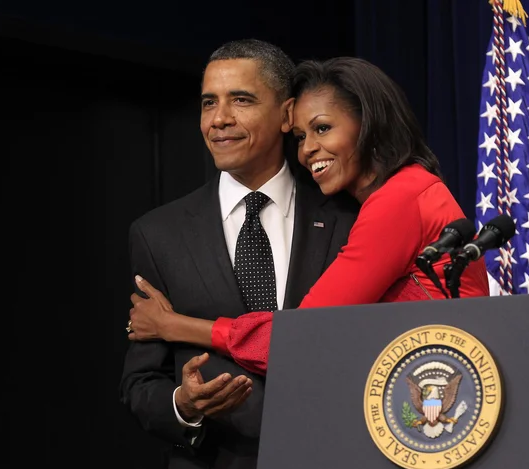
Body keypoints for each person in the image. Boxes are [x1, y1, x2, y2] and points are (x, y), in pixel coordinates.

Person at [126, 57, 490, 376]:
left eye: (322, 128)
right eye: (300, 136)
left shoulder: (400, 199)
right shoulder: (405, 191)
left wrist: (173, 325)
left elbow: (302, 338)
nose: (308, 150)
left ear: (369, 123)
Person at [120, 40, 359, 469]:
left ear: (287, 115)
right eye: (209, 102)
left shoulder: (349, 216)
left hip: (334, 459)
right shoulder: (158, 233)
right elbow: (139, 383)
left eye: (241, 100)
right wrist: (183, 405)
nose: (219, 119)